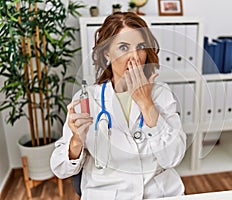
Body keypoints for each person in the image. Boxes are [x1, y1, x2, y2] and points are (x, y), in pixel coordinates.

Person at [50, 12, 187, 200]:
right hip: (107, 194)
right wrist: (76, 141)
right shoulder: (88, 98)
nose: (135, 57)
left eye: (140, 47)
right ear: (107, 53)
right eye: (123, 47)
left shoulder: (160, 94)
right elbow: (60, 168)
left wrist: (146, 104)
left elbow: (174, 157)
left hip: (159, 193)